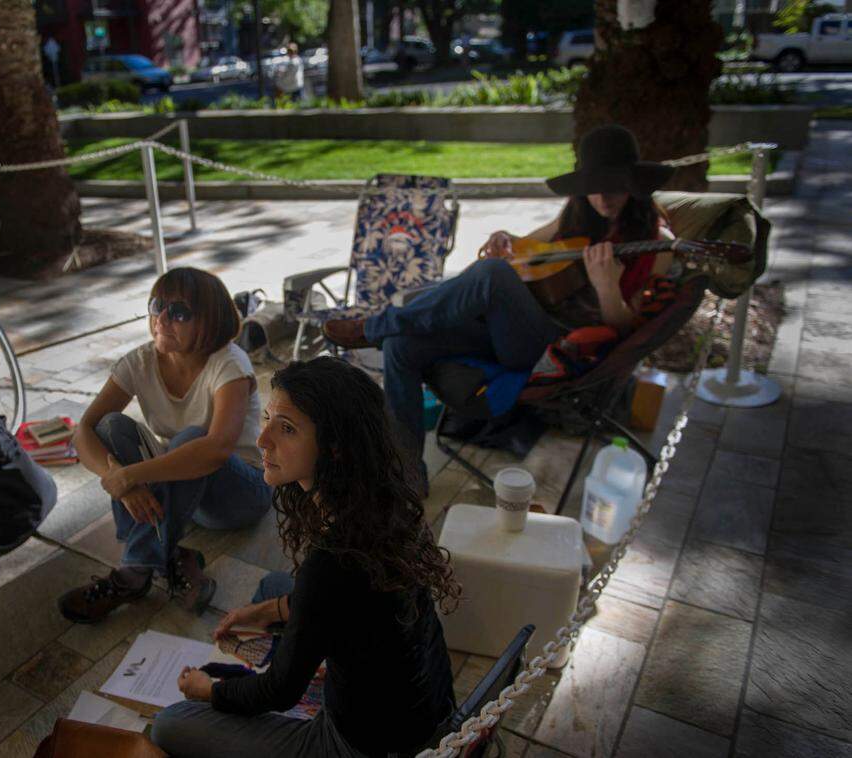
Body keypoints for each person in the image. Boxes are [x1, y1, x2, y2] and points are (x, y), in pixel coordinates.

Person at [151, 356, 459, 758]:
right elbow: (353, 599)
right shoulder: (390, 509)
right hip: (426, 712)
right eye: (267, 420)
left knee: (170, 724)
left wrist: (209, 690)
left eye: (287, 429)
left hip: (363, 747)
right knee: (272, 589)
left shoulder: (331, 562)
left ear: (334, 448)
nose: (262, 440)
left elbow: (279, 690)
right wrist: (273, 609)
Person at [322, 124, 677, 467]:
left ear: (634, 183)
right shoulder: (578, 215)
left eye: (613, 186)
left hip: (554, 348)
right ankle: (407, 472)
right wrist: (504, 239)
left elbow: (629, 331)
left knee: (490, 275)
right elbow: (523, 248)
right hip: (507, 330)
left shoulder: (657, 243)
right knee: (401, 346)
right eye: (593, 186)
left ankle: (373, 327)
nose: (602, 197)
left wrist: (607, 289)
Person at [58, 267, 273, 623]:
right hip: (186, 493)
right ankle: (162, 553)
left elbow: (217, 448)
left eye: (178, 312)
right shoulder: (141, 361)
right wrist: (121, 481)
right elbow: (83, 431)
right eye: (156, 306)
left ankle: (133, 571)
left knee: (192, 440)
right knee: (111, 427)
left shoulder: (229, 364)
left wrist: (133, 475)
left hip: (240, 494)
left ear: (209, 320)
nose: (161, 319)